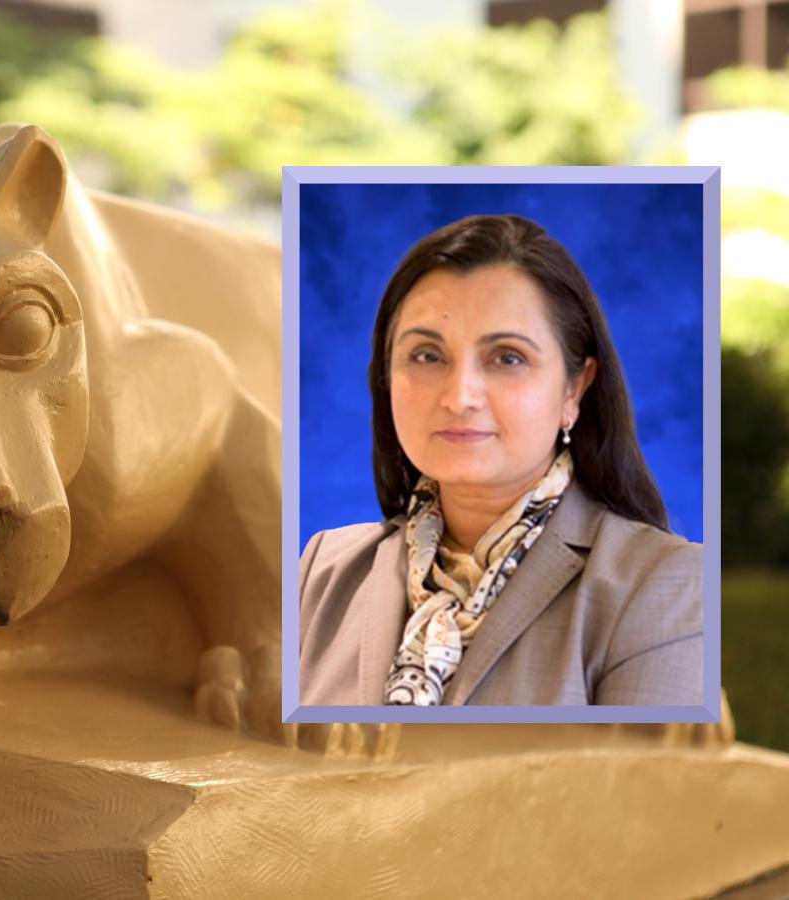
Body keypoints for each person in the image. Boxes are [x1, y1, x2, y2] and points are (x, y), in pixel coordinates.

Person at [299, 214, 702, 707]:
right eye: (427, 355)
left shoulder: (666, 585)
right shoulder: (323, 571)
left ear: (574, 389)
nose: (460, 396)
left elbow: (641, 783)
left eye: (507, 358)